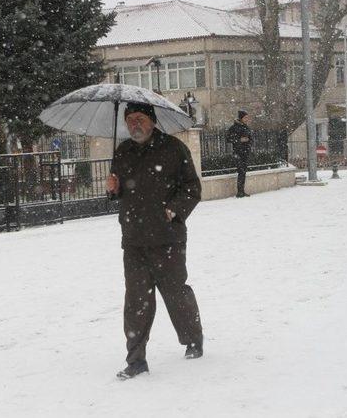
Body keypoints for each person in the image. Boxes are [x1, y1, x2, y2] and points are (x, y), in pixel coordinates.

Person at [106, 102, 204, 380]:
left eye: (139, 119)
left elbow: (192, 188)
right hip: (134, 239)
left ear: (152, 120)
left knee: (175, 293)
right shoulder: (122, 151)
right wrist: (114, 189)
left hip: (167, 237)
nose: (134, 124)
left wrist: (173, 210)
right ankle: (136, 360)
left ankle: (193, 339)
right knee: (136, 300)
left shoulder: (173, 149)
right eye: (129, 120)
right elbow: (120, 191)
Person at [226, 110, 253, 198]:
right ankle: (240, 192)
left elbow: (251, 139)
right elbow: (228, 139)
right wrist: (239, 140)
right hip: (238, 152)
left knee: (243, 172)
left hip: (246, 152)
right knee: (241, 171)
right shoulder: (234, 127)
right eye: (245, 117)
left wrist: (249, 142)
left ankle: (242, 191)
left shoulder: (246, 127)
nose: (247, 119)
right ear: (241, 118)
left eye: (247, 117)